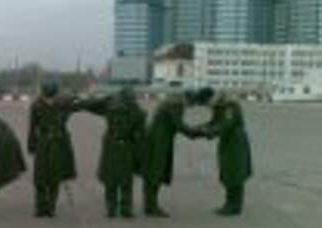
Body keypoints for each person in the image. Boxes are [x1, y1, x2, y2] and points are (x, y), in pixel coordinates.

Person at [83, 88, 147, 218]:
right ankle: (119, 208)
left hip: (121, 145)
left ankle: (119, 208)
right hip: (118, 145)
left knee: (122, 178)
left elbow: (141, 134)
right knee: (116, 178)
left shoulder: (134, 112)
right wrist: (105, 99)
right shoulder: (116, 109)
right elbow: (89, 106)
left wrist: (106, 99)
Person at [28, 82, 84, 218]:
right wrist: (31, 144)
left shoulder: (63, 104)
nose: (48, 99)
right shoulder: (36, 106)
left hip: (58, 143)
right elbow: (32, 126)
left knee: (54, 176)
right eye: (46, 95)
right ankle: (41, 207)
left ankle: (51, 207)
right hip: (43, 142)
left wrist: (75, 97)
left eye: (50, 95)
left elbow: (78, 102)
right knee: (40, 176)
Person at [143, 89, 202, 218]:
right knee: (156, 171)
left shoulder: (173, 100)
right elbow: (179, 125)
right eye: (192, 104)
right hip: (159, 140)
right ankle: (151, 206)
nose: (191, 107)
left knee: (153, 170)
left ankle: (149, 204)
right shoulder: (177, 103)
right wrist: (198, 132)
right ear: (190, 100)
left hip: (156, 138)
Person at [198, 89, 253, 216]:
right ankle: (229, 203)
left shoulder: (230, 106)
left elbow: (226, 124)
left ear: (211, 98)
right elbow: (214, 122)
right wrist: (199, 128)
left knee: (235, 172)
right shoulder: (218, 105)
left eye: (207, 103)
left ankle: (235, 206)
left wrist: (208, 132)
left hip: (236, 142)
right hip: (226, 141)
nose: (208, 106)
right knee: (227, 171)